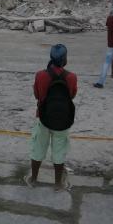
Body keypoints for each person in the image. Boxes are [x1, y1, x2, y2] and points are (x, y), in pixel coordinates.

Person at [25, 44, 76, 190]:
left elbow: (37, 95)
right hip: (63, 120)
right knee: (59, 150)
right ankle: (58, 183)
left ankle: (33, 179)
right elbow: (72, 95)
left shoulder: (40, 75)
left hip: (43, 118)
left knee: (38, 148)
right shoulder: (71, 77)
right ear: (65, 59)